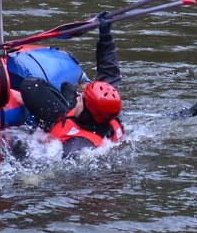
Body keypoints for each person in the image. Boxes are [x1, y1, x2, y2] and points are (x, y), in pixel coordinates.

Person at [18, 11, 125, 159]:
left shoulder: (76, 147)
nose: (79, 97)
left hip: (67, 129)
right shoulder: (109, 110)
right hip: (85, 122)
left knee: (30, 85)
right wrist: (105, 35)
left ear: (88, 109)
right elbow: (109, 69)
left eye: (82, 98)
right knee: (68, 87)